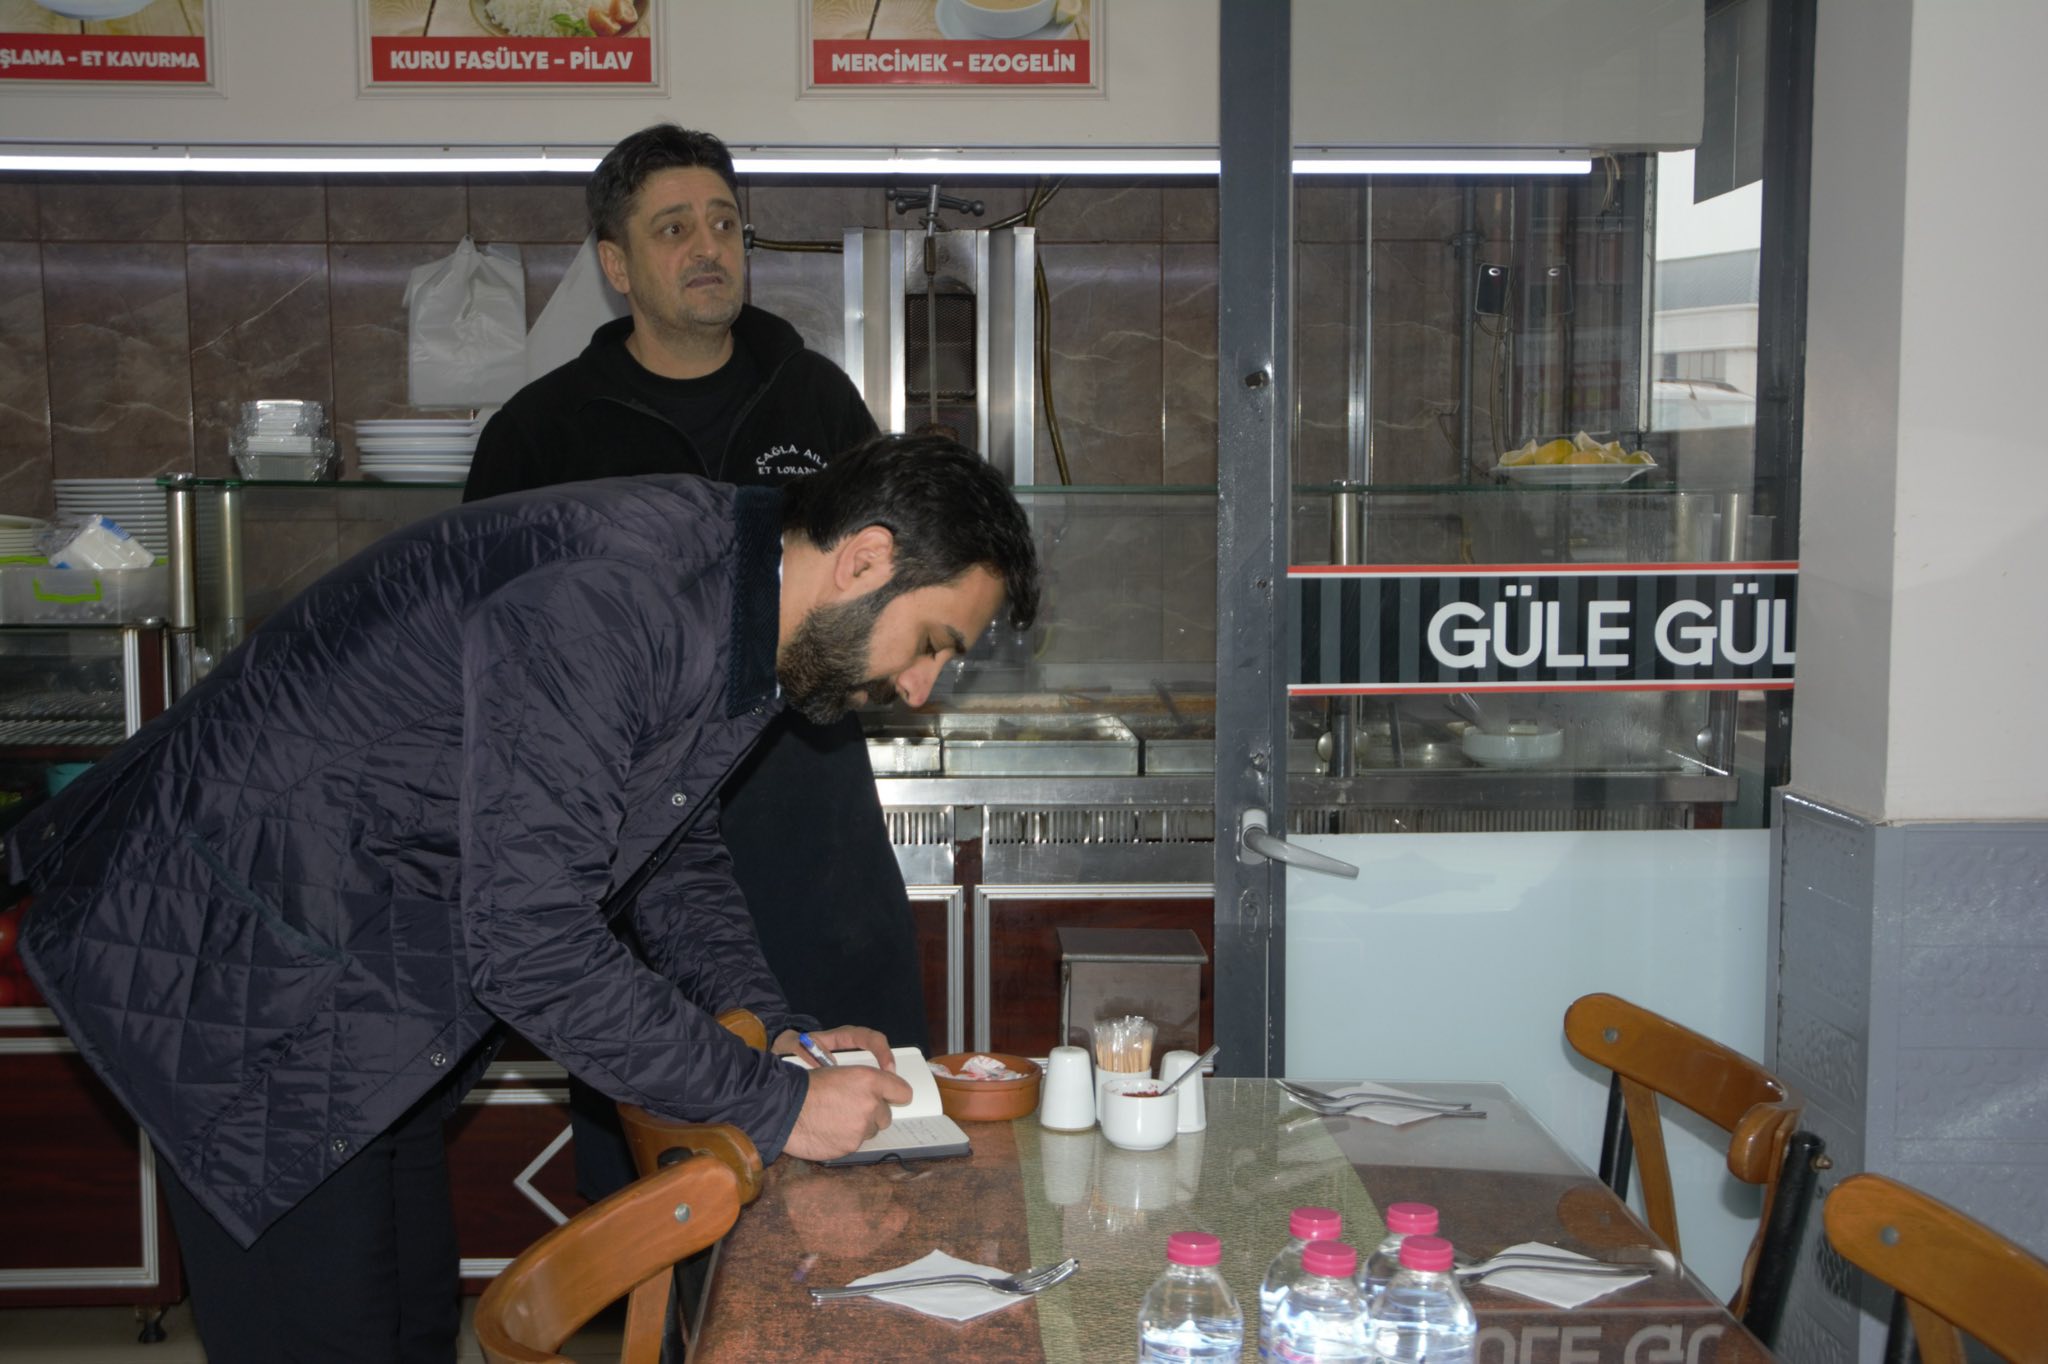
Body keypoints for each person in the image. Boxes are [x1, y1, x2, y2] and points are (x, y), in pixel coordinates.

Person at [9, 435, 1040, 1364]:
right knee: (327, 1338)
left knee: (412, 1326)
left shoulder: (735, 604)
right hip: (237, 967)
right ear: (864, 559)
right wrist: (775, 1105)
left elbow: (670, 852)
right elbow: (533, 946)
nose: (919, 689)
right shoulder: (619, 601)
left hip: (364, 967)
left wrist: (772, 1033)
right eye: (932, 642)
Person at [463, 123, 932, 1204]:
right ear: (616, 264)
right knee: (664, 1154)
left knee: (863, 1135)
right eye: (673, 228)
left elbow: (896, 577)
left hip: (811, 828)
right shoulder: (543, 432)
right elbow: (489, 654)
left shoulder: (816, 399)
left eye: (724, 223)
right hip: (630, 843)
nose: (708, 246)